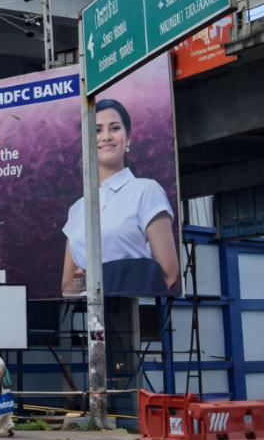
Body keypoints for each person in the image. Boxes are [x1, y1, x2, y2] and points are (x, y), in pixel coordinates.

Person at [61, 98, 180, 297]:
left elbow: (170, 276)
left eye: (114, 128)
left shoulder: (147, 190)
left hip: (133, 311)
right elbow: (68, 286)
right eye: (97, 130)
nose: (106, 136)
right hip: (87, 312)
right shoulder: (77, 209)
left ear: (128, 137)